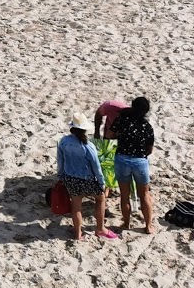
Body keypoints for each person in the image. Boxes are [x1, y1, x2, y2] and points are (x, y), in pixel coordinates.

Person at [56, 112, 114, 241]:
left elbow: (60, 162)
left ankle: (77, 234)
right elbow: (96, 167)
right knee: (100, 199)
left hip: (71, 178)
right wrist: (101, 182)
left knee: (76, 206)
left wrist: (60, 177)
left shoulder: (64, 141)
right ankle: (100, 229)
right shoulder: (88, 146)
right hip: (88, 180)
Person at [112, 97, 155, 233]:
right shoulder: (147, 126)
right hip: (140, 161)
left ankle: (126, 223)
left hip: (122, 159)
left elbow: (110, 134)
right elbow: (150, 149)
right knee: (144, 195)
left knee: (124, 195)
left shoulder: (122, 120)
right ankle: (148, 226)